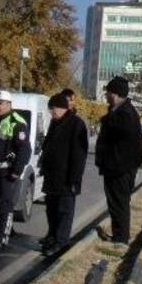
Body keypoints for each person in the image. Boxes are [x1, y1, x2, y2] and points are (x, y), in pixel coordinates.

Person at [95, 76, 142, 248]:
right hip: (116, 167)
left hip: (120, 168)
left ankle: (121, 238)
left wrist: (106, 120)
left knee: (119, 203)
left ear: (114, 94)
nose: (106, 96)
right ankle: (119, 235)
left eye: (108, 93)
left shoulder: (125, 113)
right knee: (116, 202)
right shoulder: (120, 111)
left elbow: (122, 134)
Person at [39, 93, 89, 256]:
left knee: (64, 212)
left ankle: (61, 242)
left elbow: (79, 155)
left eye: (53, 109)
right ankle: (52, 236)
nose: (51, 112)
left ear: (62, 108)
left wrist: (74, 179)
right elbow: (47, 145)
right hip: (52, 176)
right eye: (50, 109)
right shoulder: (55, 123)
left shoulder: (76, 124)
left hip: (67, 178)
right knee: (51, 209)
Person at [0, 90, 31, 253]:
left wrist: (16, 171)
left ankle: (1, 241)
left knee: (5, 205)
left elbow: (24, 150)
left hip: (8, 172)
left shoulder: (16, 122)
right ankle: (6, 230)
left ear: (8, 104)